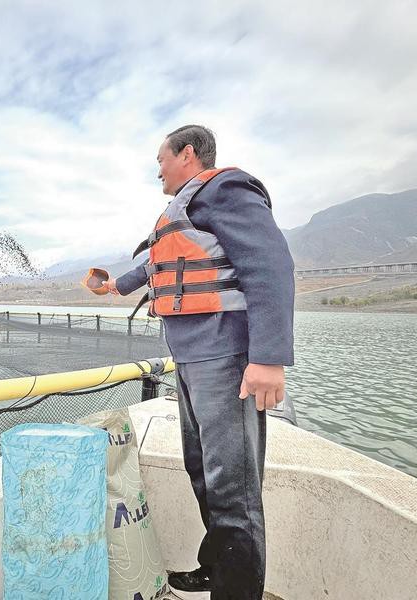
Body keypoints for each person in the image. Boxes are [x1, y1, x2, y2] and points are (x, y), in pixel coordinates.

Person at [105, 125, 295, 600]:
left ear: (187, 154)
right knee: (202, 469)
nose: (158, 170)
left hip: (225, 356)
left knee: (233, 489)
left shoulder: (225, 189)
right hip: (190, 359)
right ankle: (217, 568)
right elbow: (156, 264)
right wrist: (115, 287)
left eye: (161, 160)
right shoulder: (185, 208)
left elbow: (270, 264)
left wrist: (268, 358)